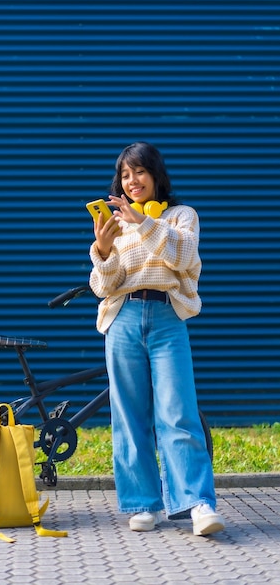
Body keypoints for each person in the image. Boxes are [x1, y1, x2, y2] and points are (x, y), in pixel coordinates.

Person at [88, 141, 225, 536]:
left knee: (178, 413)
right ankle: (143, 503)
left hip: (167, 318)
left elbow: (183, 258)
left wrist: (144, 224)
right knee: (129, 417)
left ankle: (197, 504)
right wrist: (103, 247)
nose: (132, 181)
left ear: (156, 174)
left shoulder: (182, 216)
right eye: (125, 175)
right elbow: (103, 285)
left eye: (140, 172)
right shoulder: (117, 224)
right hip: (122, 319)